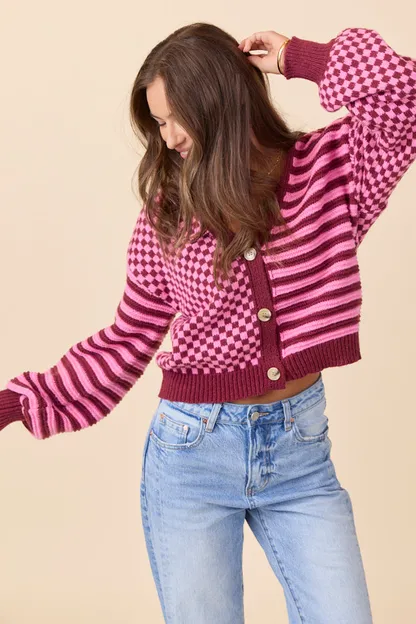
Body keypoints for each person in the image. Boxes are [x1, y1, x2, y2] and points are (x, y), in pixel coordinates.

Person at [1, 22, 415, 623]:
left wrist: (297, 57)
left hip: (300, 454)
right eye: (158, 123)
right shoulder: (168, 214)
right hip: (193, 454)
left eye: (177, 119)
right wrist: (19, 403)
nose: (167, 139)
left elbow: (405, 95)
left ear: (220, 103)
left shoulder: (331, 171)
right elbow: (128, 338)